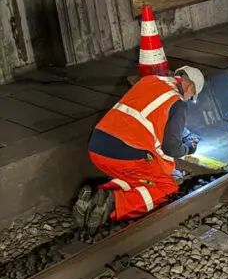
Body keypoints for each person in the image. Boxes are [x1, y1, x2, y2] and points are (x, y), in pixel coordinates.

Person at [74, 66, 205, 231]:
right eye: (191, 96)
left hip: (97, 148)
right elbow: (171, 149)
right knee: (166, 186)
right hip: (124, 154)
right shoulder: (178, 104)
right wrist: (188, 148)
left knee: (136, 178)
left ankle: (95, 198)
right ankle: (114, 204)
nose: (189, 99)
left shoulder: (149, 81)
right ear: (190, 86)